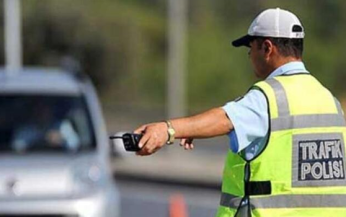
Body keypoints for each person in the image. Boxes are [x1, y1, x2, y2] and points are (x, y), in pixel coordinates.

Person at [133, 8, 346, 217]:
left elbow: (225, 118)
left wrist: (168, 129)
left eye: (250, 47)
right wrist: (196, 129)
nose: (249, 55)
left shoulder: (269, 97)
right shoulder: (329, 101)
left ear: (267, 48)